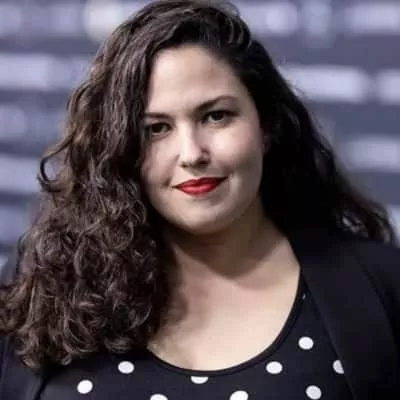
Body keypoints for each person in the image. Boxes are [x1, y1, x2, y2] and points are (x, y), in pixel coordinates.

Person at [1, 0, 400, 399]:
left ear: (267, 125)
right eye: (156, 129)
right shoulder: (43, 285)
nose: (192, 154)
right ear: (120, 147)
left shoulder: (381, 287)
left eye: (216, 116)